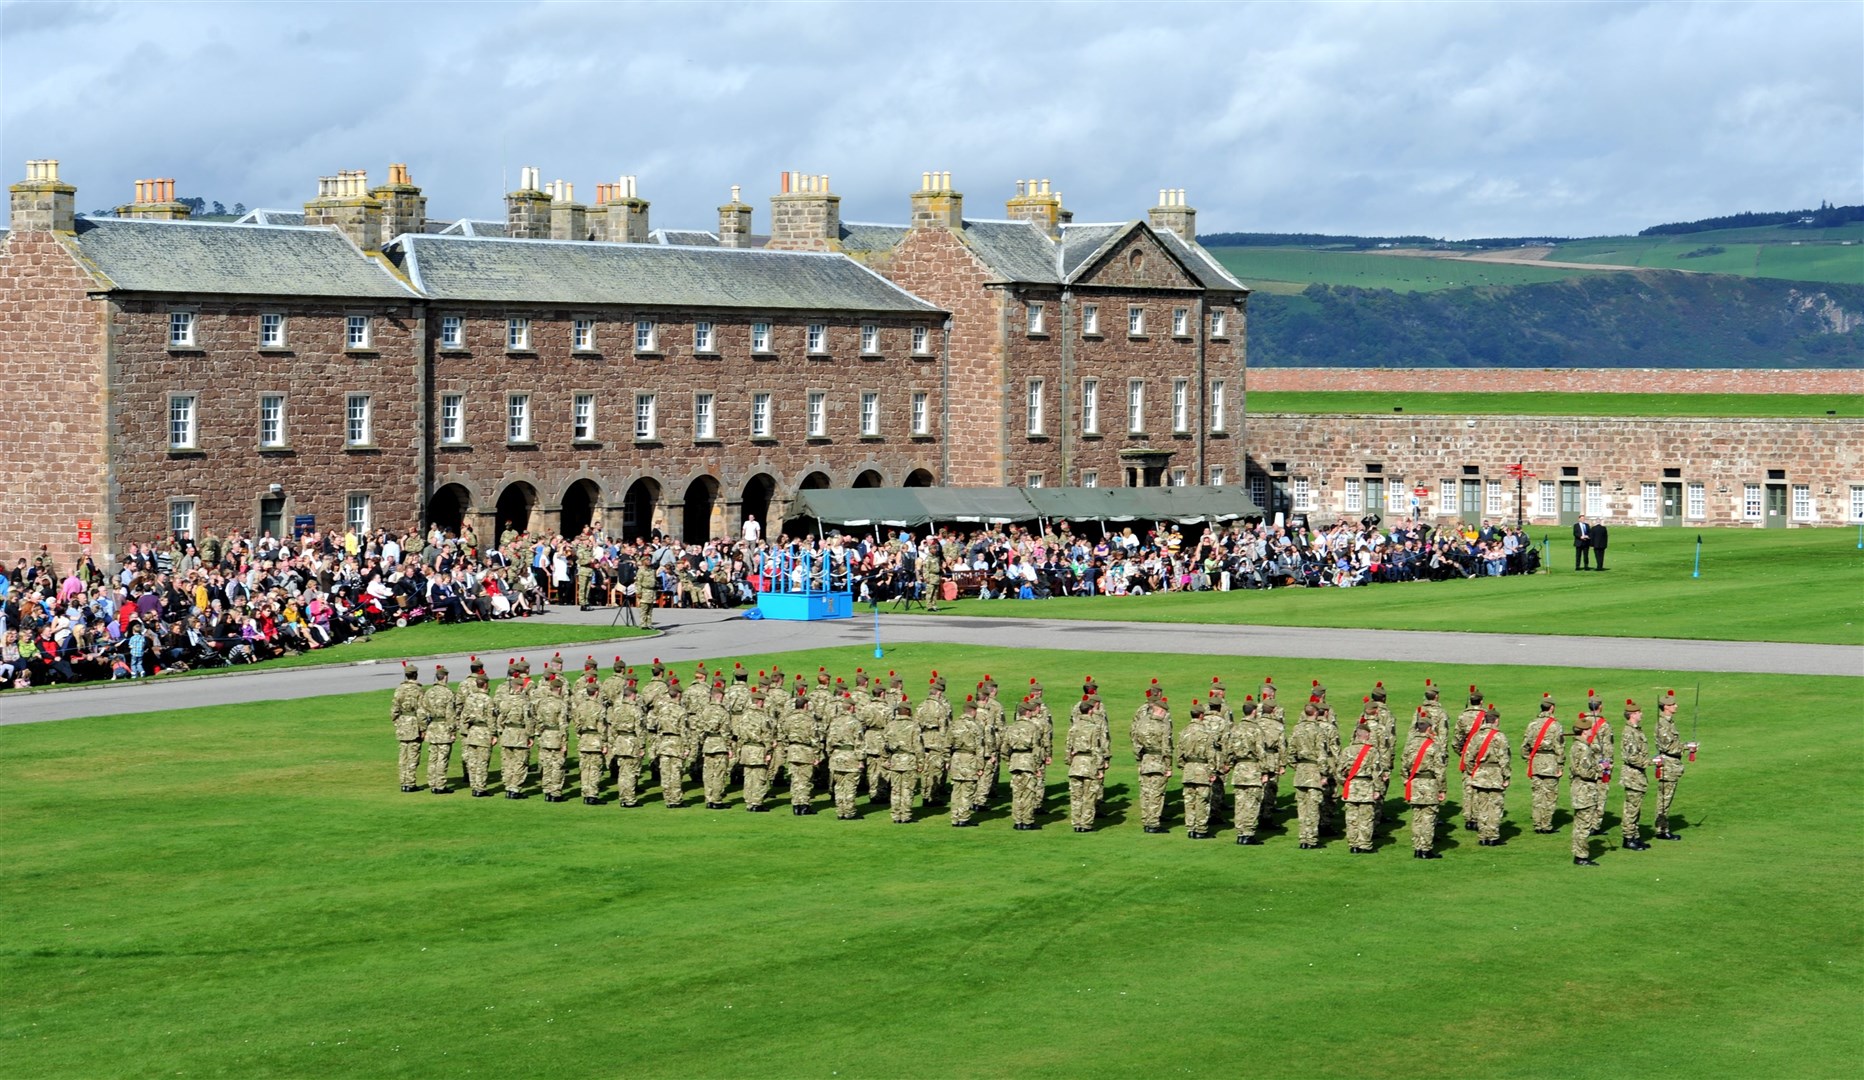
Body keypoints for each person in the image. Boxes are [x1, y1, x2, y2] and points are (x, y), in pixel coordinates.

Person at [1567, 700, 1609, 865]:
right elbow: (1586, 772)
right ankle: (1581, 857)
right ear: (1584, 731)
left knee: (1579, 824)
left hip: (1579, 789)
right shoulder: (1584, 749)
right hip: (1585, 790)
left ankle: (1579, 853)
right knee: (1583, 825)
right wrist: (1601, 768)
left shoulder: (1576, 746)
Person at [1223, 696, 1269, 845]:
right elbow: (1261, 752)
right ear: (1254, 712)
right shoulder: (1256, 729)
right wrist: (1265, 771)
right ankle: (1248, 833)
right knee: (1252, 802)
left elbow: (1228, 751)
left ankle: (1240, 832)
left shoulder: (1235, 729)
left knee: (1240, 802)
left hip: (1239, 769)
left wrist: (1228, 765)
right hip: (1252, 769)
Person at [1288, 701, 1333, 849]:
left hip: (1301, 771)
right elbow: (1322, 754)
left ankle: (1303, 839)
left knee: (1302, 809)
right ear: (1315, 713)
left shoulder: (1297, 729)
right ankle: (1311, 840)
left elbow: (1290, 754)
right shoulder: (1319, 730)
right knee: (1313, 809)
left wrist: (1298, 767)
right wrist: (1324, 773)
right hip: (1314, 772)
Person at [1465, 704, 1511, 846]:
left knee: (1482, 806)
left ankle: (1483, 836)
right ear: (1496, 720)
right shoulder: (1500, 737)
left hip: (1480, 775)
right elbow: (1504, 759)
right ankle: (1493, 836)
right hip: (1495, 774)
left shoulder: (1476, 736)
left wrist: (1473, 772)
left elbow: (1468, 758)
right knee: (1495, 807)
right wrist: (1506, 776)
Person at [1402, 712, 1446, 859]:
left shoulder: (1410, 745)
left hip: (1414, 783)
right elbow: (1439, 769)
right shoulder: (1433, 745)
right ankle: (1426, 849)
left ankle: (1417, 848)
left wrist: (1407, 780)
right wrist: (1442, 789)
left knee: (1417, 817)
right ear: (1429, 728)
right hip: (1429, 784)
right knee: (1428, 817)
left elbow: (1404, 766)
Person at [1652, 689, 1695, 840]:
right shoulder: (1663, 724)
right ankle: (1662, 830)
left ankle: (1662, 828)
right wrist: (1686, 747)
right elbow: (1667, 746)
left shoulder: (1669, 722)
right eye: (1673, 704)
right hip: (1668, 764)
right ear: (1666, 707)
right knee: (1664, 799)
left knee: (1666, 798)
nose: (1676, 706)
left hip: (1672, 764)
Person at [1522, 694, 1566, 833]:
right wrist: (1560, 765)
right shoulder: (1555, 725)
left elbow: (1525, 746)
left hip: (1536, 762)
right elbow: (1559, 747)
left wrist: (1529, 759)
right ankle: (1546, 825)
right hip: (1550, 763)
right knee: (1549, 796)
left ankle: (1537, 824)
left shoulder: (1532, 724)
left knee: (1537, 796)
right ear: (1552, 708)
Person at [1065, 696, 1110, 832]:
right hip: (1090, 764)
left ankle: (1076, 823)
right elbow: (1097, 749)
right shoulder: (1094, 728)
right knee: (1089, 796)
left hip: (1076, 764)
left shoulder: (1073, 728)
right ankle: (1086, 824)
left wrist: (1069, 761)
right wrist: (1100, 767)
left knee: (1076, 796)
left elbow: (1068, 747)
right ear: (1090, 711)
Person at [1130, 695, 1174, 834]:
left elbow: (1135, 743)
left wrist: (1139, 760)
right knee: (1156, 794)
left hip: (1145, 760)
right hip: (1159, 762)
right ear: (1161, 711)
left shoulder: (1141, 723)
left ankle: (1146, 821)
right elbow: (1167, 748)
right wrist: (1168, 766)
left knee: (1145, 793)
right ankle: (1153, 823)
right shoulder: (1163, 725)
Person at [1176, 701, 1219, 839]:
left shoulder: (1184, 732)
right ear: (1201, 716)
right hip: (1202, 769)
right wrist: (1212, 772)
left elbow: (1179, 754)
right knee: (1202, 800)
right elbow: (1211, 755)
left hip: (1189, 769)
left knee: (1189, 801)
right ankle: (1201, 829)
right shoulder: (1207, 732)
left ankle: (1191, 828)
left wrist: (1185, 766)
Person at [733, 686, 778, 812]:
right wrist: (769, 752)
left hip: (746, 749)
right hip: (759, 749)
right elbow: (767, 736)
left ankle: (749, 801)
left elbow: (739, 735)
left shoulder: (744, 716)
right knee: (759, 777)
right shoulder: (763, 717)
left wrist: (739, 750)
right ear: (760, 702)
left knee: (748, 777)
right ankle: (757, 802)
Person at [1339, 721, 1381, 854]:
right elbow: (1377, 772)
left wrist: (1345, 783)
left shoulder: (1347, 750)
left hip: (1351, 787)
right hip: (1366, 787)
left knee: (1351, 818)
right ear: (1367, 735)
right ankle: (1365, 844)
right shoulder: (1372, 751)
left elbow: (1339, 771)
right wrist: (1378, 789)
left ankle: (1353, 845)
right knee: (1366, 818)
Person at [947, 697, 988, 827]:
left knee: (956, 790)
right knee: (967, 790)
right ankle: (964, 818)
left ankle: (955, 817)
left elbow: (947, 745)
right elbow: (979, 748)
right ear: (973, 711)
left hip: (956, 758)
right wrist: (981, 766)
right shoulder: (976, 726)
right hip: (970, 759)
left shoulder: (954, 724)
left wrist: (947, 760)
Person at [1005, 700, 1045, 830]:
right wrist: (1037, 766)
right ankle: (1027, 821)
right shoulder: (1033, 728)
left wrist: (1008, 761)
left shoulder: (1011, 727)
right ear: (1027, 712)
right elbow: (1036, 749)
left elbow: (1004, 748)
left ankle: (1017, 821)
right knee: (1028, 793)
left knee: (1017, 793)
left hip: (1015, 761)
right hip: (1028, 761)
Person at [606, 680, 647, 807]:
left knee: (623, 772)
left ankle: (623, 797)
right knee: (631, 772)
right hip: (631, 742)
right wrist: (642, 746)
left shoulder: (616, 709)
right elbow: (639, 729)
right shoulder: (635, 709)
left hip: (620, 741)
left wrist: (613, 742)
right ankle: (629, 799)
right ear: (633, 695)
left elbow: (612, 727)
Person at [420, 664, 460, 794]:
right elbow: (450, 714)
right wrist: (453, 731)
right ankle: (440, 785)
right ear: (445, 677)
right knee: (442, 758)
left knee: (433, 757)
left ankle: (432, 782)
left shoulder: (429, 692)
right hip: (443, 728)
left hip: (432, 728)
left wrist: (423, 728)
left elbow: (422, 711)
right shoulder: (448, 693)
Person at [781, 688, 821, 815]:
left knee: (795, 778)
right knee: (805, 779)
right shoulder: (809, 719)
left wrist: (787, 748)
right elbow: (814, 738)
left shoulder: (788, 718)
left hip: (793, 750)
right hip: (805, 750)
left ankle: (796, 804)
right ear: (805, 706)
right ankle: (804, 805)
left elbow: (783, 735)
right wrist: (817, 754)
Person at [1619, 699, 1652, 850]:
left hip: (1637, 775)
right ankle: (1628, 838)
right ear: (1632, 715)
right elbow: (1631, 757)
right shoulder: (1629, 732)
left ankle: (1635, 835)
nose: (1641, 714)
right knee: (1631, 809)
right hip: (1632, 775)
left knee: (1636, 808)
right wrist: (1649, 762)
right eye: (1639, 712)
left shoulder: (1636, 730)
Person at [827, 692, 866, 819]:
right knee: (850, 785)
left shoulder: (834, 722)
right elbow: (859, 742)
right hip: (850, 756)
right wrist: (861, 760)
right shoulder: (855, 723)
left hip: (836, 756)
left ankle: (840, 811)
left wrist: (831, 754)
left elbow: (829, 741)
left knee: (839, 785)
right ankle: (849, 812)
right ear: (852, 708)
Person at [647, 687, 688, 807]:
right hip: (676, 743)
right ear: (679, 695)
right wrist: (686, 747)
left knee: (665, 773)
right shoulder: (681, 711)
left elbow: (658, 729)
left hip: (664, 743)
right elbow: (683, 731)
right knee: (675, 773)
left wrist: (657, 745)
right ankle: (675, 799)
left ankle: (668, 799)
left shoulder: (662, 710)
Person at [532, 674, 571, 802]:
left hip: (545, 736)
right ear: (559, 689)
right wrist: (564, 742)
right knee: (557, 766)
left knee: (547, 765)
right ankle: (555, 792)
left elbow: (538, 720)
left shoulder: (542, 703)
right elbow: (563, 725)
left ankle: (547, 791)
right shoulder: (561, 704)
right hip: (556, 737)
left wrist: (540, 733)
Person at [883, 701, 922, 823]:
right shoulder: (914, 726)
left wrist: (885, 759)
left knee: (895, 789)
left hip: (895, 760)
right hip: (909, 760)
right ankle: (905, 815)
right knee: (907, 789)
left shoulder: (890, 725)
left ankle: (896, 815)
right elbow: (918, 746)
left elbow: (884, 744)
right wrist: (920, 763)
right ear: (908, 711)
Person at [1454, 686, 1487, 831]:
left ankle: (1469, 818)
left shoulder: (1462, 716)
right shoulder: (1486, 716)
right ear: (1481, 702)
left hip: (1467, 754)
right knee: (1481, 787)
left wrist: (1463, 752)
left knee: (1468, 787)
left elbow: (1456, 740)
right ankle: (1479, 816)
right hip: (1482, 755)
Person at [459, 672, 497, 797]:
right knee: (482, 761)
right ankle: (480, 788)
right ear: (485, 684)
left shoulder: (470, 698)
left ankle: (474, 786)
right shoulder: (488, 699)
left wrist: (466, 729)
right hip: (484, 732)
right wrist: (494, 734)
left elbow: (464, 716)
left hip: (472, 731)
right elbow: (491, 719)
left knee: (473, 761)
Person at [573, 676, 607, 804]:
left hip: (584, 738)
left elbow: (576, 725)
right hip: (596, 740)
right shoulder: (599, 708)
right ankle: (592, 795)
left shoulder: (580, 707)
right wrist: (604, 743)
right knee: (594, 769)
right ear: (596, 692)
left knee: (584, 768)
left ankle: (585, 793)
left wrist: (580, 735)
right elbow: (602, 727)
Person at [391, 663, 425, 792]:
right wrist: (423, 728)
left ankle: (403, 782)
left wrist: (397, 723)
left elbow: (394, 709)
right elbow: (421, 711)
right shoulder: (418, 690)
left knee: (403, 756)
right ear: (415, 675)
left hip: (402, 723)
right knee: (413, 755)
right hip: (413, 723)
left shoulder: (399, 689)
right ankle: (410, 783)